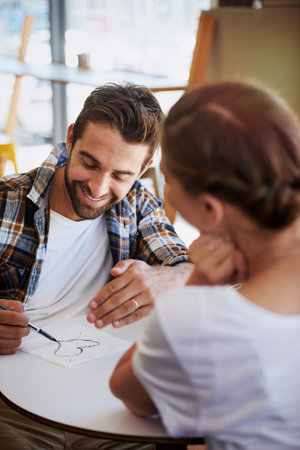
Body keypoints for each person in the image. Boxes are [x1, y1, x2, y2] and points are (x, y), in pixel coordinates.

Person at [0, 82, 192, 449]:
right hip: (14, 403)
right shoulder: (5, 200)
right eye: (90, 163)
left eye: (120, 175)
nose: (99, 188)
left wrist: (171, 277)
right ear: (71, 138)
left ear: (144, 167)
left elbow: (187, 268)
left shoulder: (137, 204)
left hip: (106, 398)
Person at [110, 80, 300, 449]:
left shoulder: (198, 319)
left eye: (167, 177)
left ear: (211, 211)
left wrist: (197, 286)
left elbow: (127, 392)